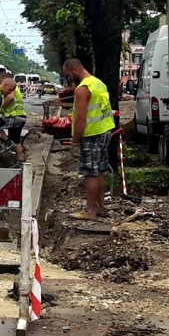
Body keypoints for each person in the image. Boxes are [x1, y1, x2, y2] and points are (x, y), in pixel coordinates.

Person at [63, 58, 115, 220]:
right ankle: (100, 207)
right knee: (99, 170)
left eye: (68, 76)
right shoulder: (98, 83)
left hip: (91, 134)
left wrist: (75, 141)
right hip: (105, 130)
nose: (69, 79)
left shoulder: (83, 89)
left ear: (74, 70)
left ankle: (90, 211)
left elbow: (81, 118)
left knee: (90, 173)